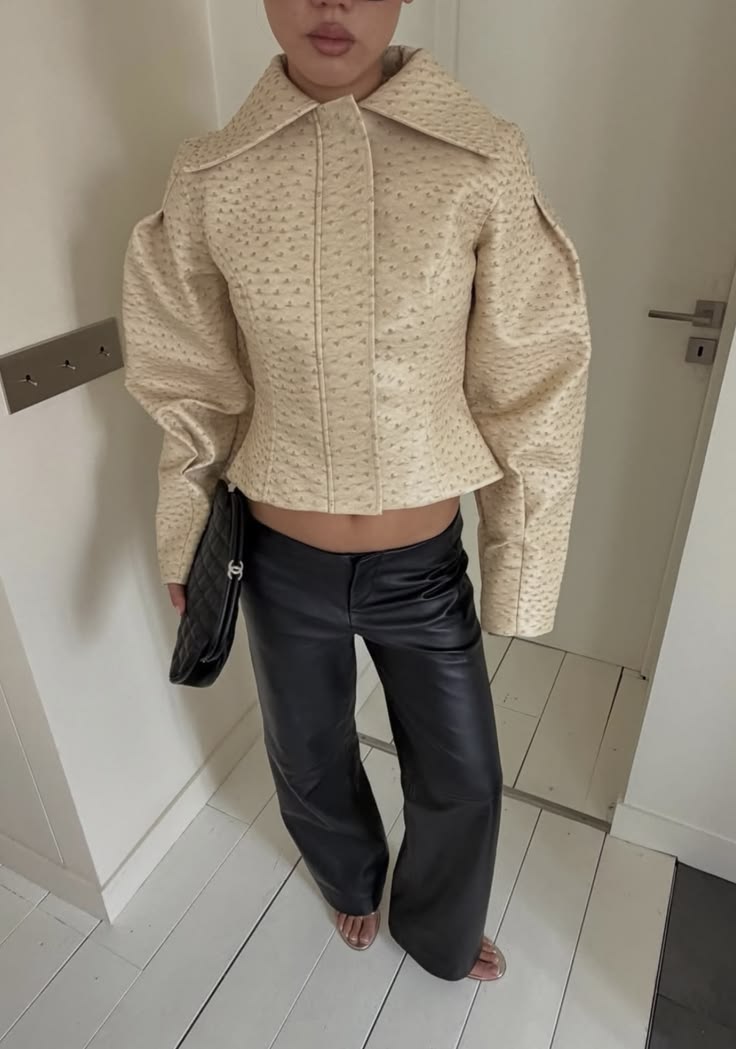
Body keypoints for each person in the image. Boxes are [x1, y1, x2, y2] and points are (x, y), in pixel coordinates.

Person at [122, 0, 591, 983]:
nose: (331, 4)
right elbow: (193, 382)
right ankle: (349, 877)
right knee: (306, 753)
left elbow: (530, 379)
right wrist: (183, 533)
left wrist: (521, 560)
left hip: (420, 564)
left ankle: (437, 927)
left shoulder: (480, 161)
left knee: (463, 774)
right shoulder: (211, 175)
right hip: (276, 559)